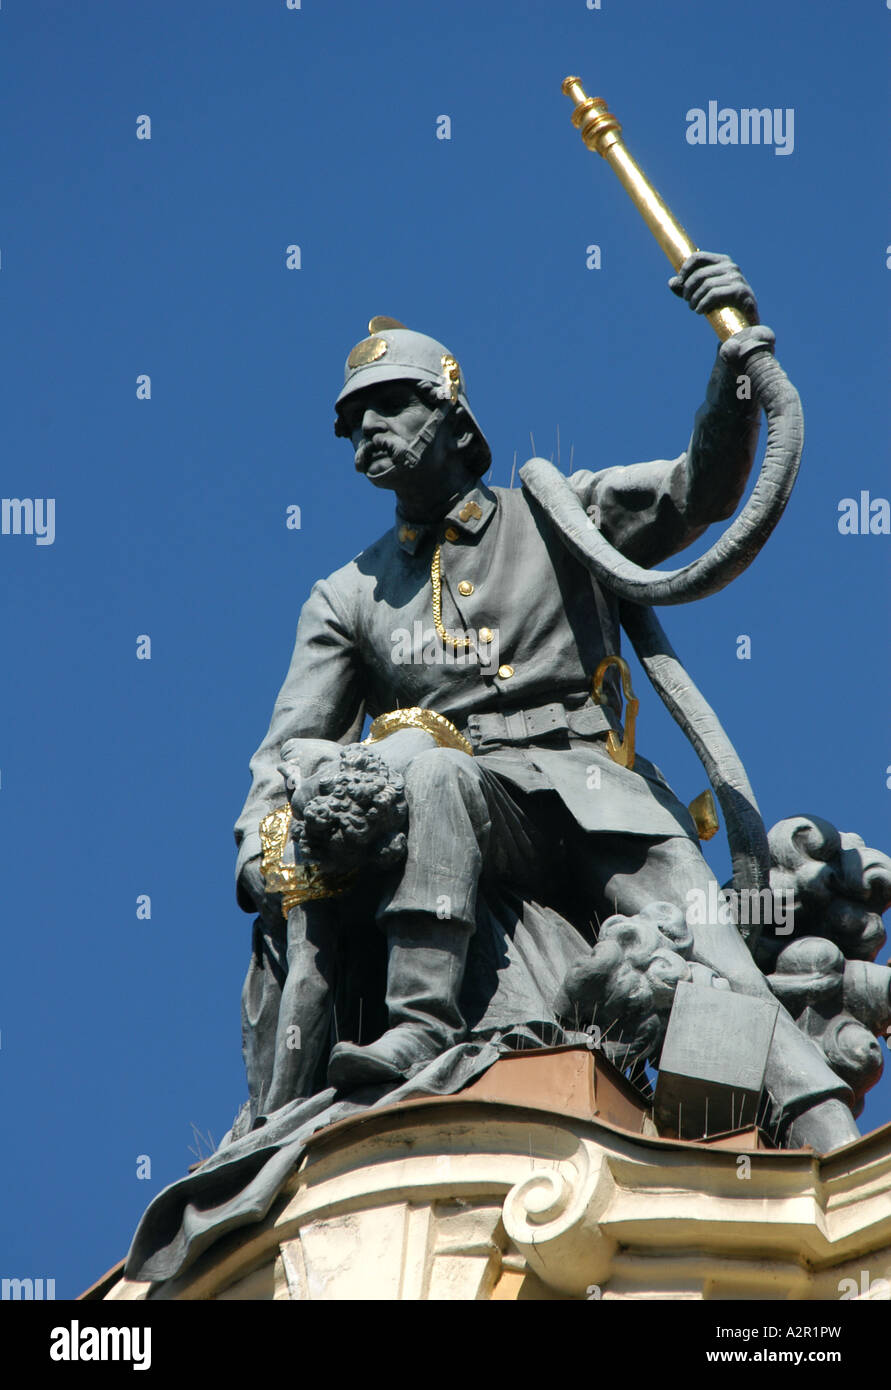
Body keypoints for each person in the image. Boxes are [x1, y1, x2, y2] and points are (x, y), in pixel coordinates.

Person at [234, 258, 859, 1152]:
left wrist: (730, 380)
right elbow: (290, 743)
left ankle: (841, 1157)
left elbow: (699, 494)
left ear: (451, 410)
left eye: (388, 404)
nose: (365, 427)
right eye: (349, 421)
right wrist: (262, 846)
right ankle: (421, 1021)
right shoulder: (347, 595)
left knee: (722, 971)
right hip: (477, 804)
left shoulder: (557, 508)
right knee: (435, 774)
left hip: (600, 796)